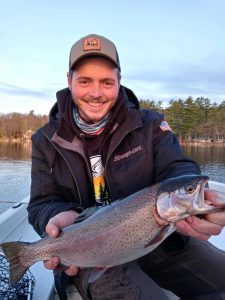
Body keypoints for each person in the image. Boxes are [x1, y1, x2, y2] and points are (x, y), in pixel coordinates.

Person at [27, 34, 225, 300]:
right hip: (86, 251)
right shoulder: (45, 140)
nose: (96, 93)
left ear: (119, 82)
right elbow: (41, 204)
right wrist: (59, 217)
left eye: (107, 82)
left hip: (159, 238)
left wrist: (199, 206)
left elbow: (179, 169)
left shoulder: (151, 125)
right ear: (69, 81)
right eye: (85, 81)